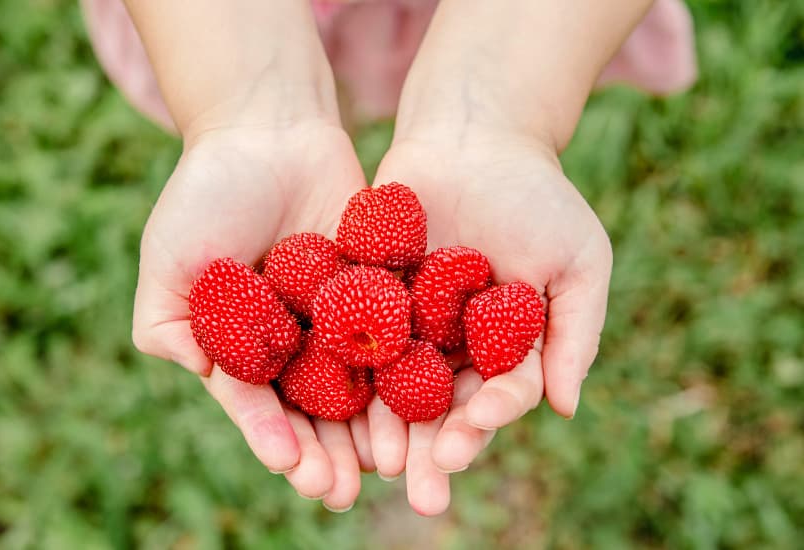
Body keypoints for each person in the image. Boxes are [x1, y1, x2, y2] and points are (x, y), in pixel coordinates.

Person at [83, 0, 697, 516]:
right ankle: (305, 105)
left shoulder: (387, 307)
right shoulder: (341, 305)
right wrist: (247, 115)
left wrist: (499, 114)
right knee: (332, 95)